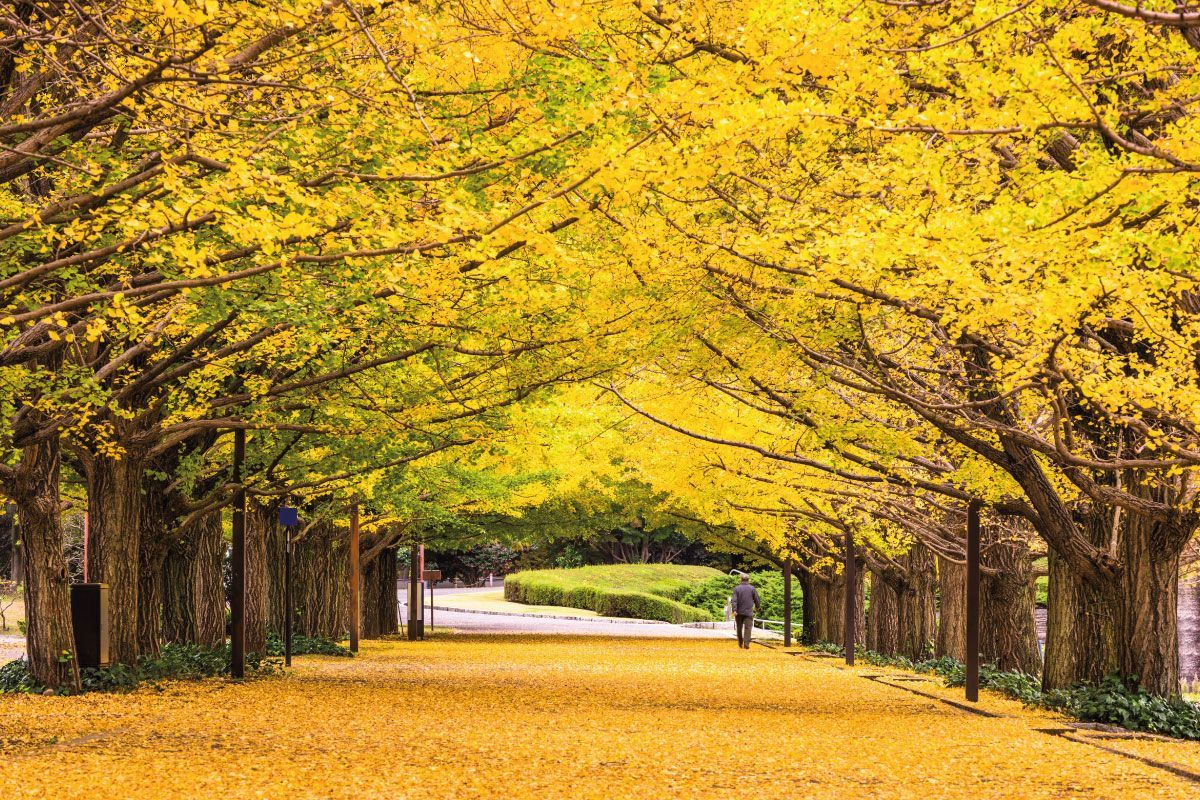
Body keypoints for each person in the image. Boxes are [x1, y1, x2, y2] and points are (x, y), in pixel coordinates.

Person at [730, 574, 761, 649]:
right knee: (748, 628)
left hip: (738, 612)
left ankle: (740, 642)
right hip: (749, 612)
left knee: (739, 627)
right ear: (748, 580)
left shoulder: (736, 589)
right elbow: (757, 599)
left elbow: (734, 600)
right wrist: (758, 607)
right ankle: (746, 644)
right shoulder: (752, 588)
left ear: (741, 579)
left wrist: (734, 610)